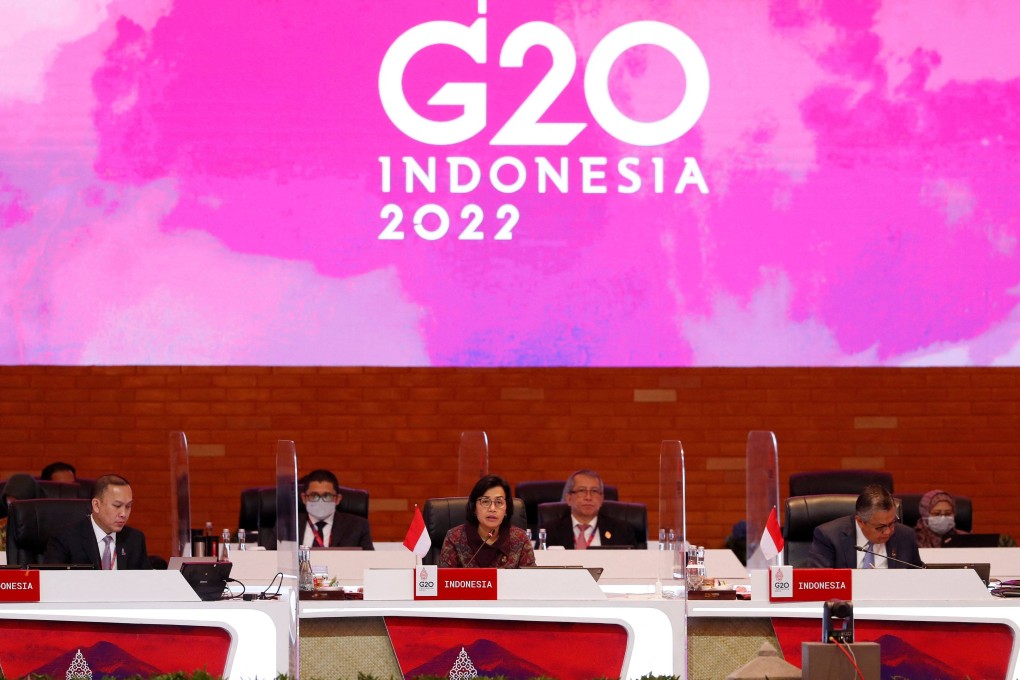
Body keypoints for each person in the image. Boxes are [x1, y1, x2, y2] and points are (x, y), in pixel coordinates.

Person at [43, 474, 150, 569]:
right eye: (117, 506)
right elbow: (52, 583)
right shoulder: (65, 539)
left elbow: (146, 583)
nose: (123, 514)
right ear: (96, 505)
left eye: (128, 506)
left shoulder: (135, 539)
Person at [806, 483, 922, 569]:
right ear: (860, 521)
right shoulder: (829, 536)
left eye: (892, 523)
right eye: (880, 527)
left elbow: (917, 578)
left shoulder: (906, 536)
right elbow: (819, 583)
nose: (888, 532)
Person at [438, 475, 536, 568]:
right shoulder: (455, 538)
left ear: (506, 509)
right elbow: (443, 581)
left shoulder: (520, 539)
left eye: (499, 502)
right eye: (485, 501)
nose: (492, 509)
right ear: (474, 507)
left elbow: (531, 581)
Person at [543, 469, 637, 549]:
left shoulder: (622, 531)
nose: (588, 497)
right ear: (569, 499)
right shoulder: (549, 532)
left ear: (601, 499)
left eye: (594, 491)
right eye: (582, 490)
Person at [299, 469, 373, 550]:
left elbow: (369, 560)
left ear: (337, 499)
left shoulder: (358, 527)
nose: (320, 501)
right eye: (314, 496)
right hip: (303, 563)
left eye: (327, 496)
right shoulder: (287, 526)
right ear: (304, 498)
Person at [1, 473, 43, 547]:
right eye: (9, 502)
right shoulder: (2, 520)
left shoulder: (45, 521)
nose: (12, 507)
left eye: (17, 502)